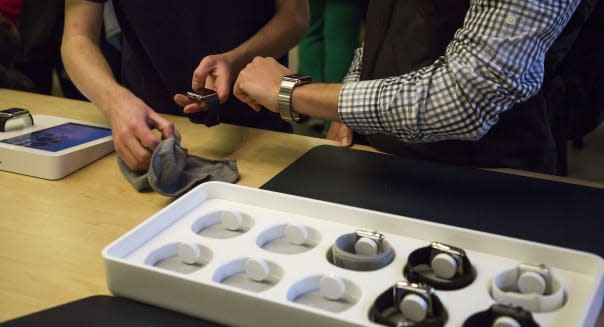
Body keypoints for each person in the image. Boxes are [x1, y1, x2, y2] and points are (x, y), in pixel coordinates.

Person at [233, 0, 582, 175]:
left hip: (485, 178)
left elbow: (465, 96)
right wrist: (351, 92)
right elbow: (389, 28)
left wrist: (293, 93)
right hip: (383, 161)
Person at [61, 0, 308, 171]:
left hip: (259, 131)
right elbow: (77, 37)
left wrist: (236, 61)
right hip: (147, 128)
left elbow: (294, 17)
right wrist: (114, 101)